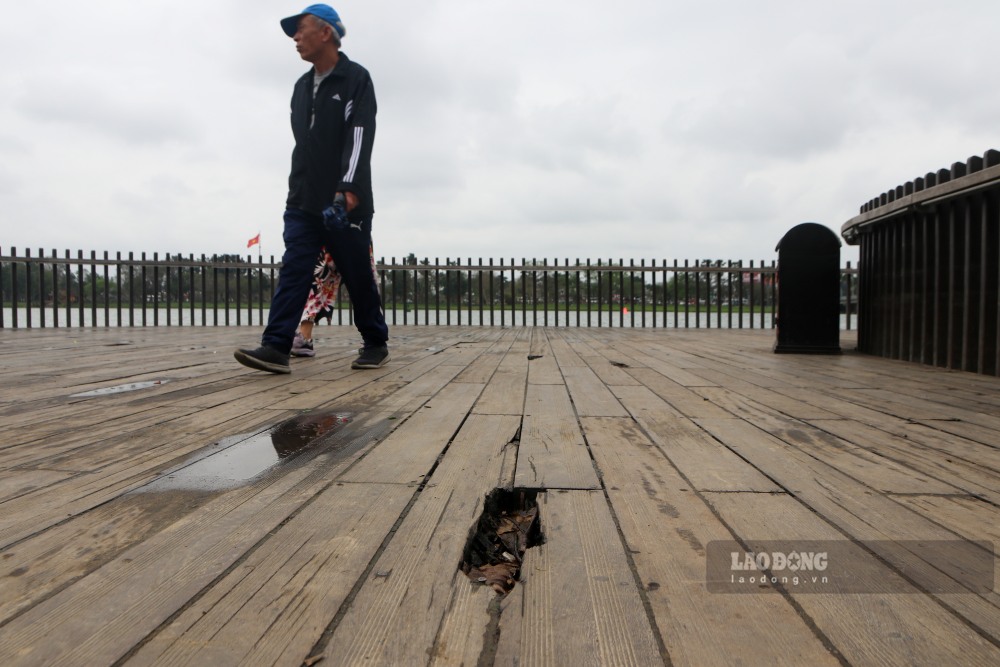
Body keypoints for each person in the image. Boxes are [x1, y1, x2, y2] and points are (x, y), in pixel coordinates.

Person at [235, 4, 389, 374]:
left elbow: (359, 134)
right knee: (295, 269)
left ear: (325, 33)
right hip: (303, 200)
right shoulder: (301, 87)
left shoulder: (355, 78)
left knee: (355, 272)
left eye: (300, 29)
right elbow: (302, 141)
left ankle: (375, 341)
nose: (294, 37)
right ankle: (275, 346)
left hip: (343, 201)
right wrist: (297, 190)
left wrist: (348, 189)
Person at [290, 248, 341, 357]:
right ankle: (305, 337)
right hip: (328, 234)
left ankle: (374, 338)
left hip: (354, 233)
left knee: (362, 276)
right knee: (319, 271)